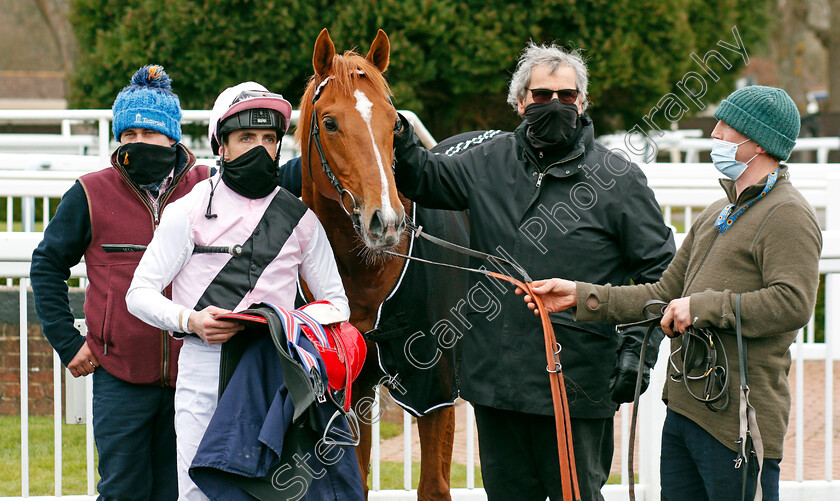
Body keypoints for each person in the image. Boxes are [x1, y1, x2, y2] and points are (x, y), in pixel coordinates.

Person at [391, 42, 676, 501]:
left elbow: (662, 270)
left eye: (567, 96)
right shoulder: (486, 161)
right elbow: (424, 177)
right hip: (496, 384)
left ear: (582, 103)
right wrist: (393, 126)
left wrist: (637, 350)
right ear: (521, 102)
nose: (556, 106)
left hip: (577, 383)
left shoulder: (617, 178)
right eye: (543, 96)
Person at [520, 85, 821, 501]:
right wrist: (579, 295)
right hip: (684, 411)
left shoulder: (788, 213)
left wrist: (703, 307)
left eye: (727, 127)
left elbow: (793, 303)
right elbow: (663, 293)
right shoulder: (717, 213)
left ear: (758, 141)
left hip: (737, 425)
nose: (715, 134)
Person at [125, 82, 352, 500]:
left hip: (274, 373)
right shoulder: (187, 211)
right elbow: (138, 293)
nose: (260, 148)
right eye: (246, 137)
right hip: (203, 368)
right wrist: (189, 320)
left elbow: (337, 306)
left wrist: (286, 324)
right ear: (222, 146)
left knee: (267, 491)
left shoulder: (301, 220)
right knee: (198, 491)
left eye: (269, 139)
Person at [30, 65, 210, 500]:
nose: (137, 144)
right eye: (127, 136)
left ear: (173, 138)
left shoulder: (209, 187)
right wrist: (68, 342)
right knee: (122, 492)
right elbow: (46, 265)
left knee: (183, 492)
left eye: (148, 135)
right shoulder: (90, 193)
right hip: (119, 377)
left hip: (196, 376)